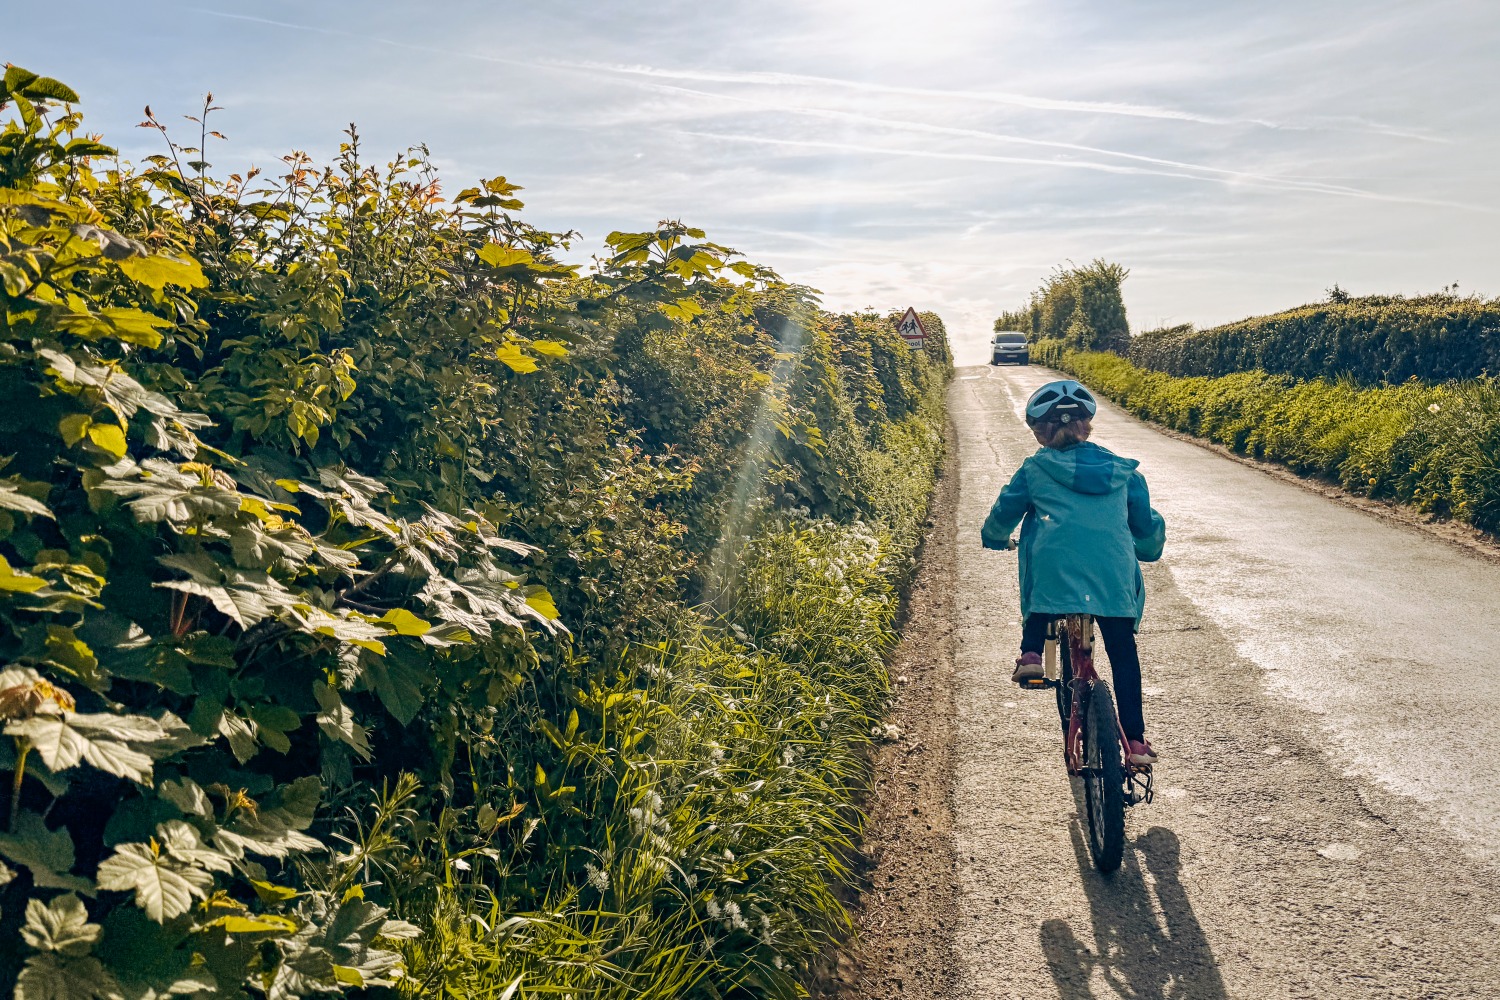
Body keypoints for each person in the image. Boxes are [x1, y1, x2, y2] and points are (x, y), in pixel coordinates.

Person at [981, 380, 1166, 766]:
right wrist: (1148, 549)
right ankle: (1134, 741)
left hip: (1055, 574)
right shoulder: (1124, 473)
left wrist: (995, 537)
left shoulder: (1034, 469)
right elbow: (1146, 531)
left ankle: (1031, 652)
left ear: (1040, 432)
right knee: (1123, 653)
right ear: (1087, 426)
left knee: (1044, 581)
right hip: (1111, 579)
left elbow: (1003, 514)